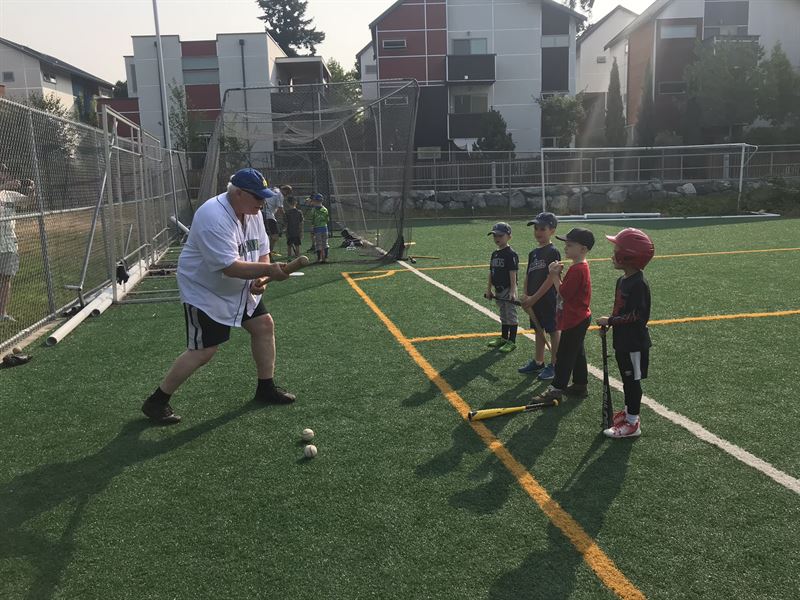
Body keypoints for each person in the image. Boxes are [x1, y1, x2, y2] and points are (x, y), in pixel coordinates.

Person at [141, 168, 296, 425]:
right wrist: (269, 271)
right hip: (206, 291)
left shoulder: (253, 212)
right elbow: (229, 267)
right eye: (257, 197)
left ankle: (266, 387)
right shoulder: (213, 215)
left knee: (263, 325)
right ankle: (157, 401)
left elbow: (262, 250)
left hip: (239, 288)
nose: (262, 202)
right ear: (238, 193)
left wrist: (261, 278)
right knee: (204, 351)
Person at [596, 228, 654, 439]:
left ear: (629, 256)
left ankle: (632, 422)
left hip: (634, 343)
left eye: (617, 250)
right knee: (626, 379)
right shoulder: (622, 280)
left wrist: (611, 321)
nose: (613, 254)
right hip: (621, 340)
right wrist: (610, 324)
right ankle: (629, 411)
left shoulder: (639, 283)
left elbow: (637, 315)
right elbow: (619, 309)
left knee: (632, 382)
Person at [532, 228, 594, 403]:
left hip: (575, 319)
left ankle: (556, 389)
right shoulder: (578, 267)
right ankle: (580, 385)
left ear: (583, 249)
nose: (565, 248)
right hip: (578, 317)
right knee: (577, 352)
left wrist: (553, 275)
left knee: (565, 355)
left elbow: (564, 293)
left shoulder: (578, 269)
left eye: (570, 245)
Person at [519, 212, 561, 380]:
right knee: (538, 329)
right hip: (533, 300)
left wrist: (534, 298)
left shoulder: (553, 251)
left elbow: (551, 279)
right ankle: (538, 361)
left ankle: (555, 364)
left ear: (552, 231)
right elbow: (528, 275)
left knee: (553, 330)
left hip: (548, 299)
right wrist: (525, 294)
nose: (538, 232)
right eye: (536, 228)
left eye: (542, 229)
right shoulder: (533, 253)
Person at [0, 163, 35, 324]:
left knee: (6, 278)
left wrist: (32, 191)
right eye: (2, 171)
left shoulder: (10, 194)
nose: (4, 174)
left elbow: (27, 202)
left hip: (8, 242)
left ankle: (2, 313)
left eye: (5, 172)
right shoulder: (5, 189)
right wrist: (4, 186)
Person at [485, 222, 519, 354]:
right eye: (495, 236)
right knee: (503, 315)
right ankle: (504, 338)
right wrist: (489, 289)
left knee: (511, 315)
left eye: (500, 235)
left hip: (508, 289)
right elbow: (491, 272)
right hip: (498, 289)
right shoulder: (495, 254)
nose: (497, 238)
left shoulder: (511, 254)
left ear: (509, 237)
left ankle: (512, 341)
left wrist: (512, 291)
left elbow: (513, 273)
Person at [262, 184, 290, 259]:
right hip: (268, 216)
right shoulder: (280, 195)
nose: (286, 195)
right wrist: (286, 218)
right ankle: (268, 252)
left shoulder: (274, 189)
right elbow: (280, 209)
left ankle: (267, 251)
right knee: (275, 236)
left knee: (266, 235)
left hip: (262, 214)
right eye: (287, 193)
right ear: (285, 191)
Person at [309, 193, 330, 263]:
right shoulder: (325, 209)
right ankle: (325, 258)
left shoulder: (313, 210)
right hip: (325, 228)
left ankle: (319, 258)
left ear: (315, 201)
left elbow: (312, 220)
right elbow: (327, 220)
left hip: (317, 229)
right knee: (325, 243)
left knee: (318, 244)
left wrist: (312, 227)